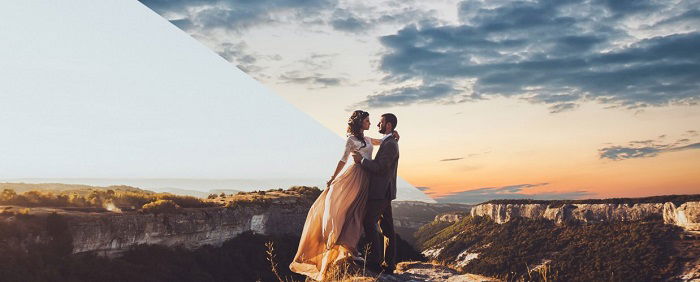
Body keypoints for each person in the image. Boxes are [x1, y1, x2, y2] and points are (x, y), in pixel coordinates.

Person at [290, 110, 399, 281]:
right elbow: (343, 160)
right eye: (368, 121)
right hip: (357, 178)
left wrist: (393, 135)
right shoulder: (351, 140)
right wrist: (333, 178)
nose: (372, 124)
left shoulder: (372, 140)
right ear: (360, 122)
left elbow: (383, 145)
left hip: (371, 182)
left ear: (388, 125)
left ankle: (367, 256)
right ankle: (349, 247)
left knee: (364, 218)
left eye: (375, 121)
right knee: (349, 211)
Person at [351, 113, 399, 275]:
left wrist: (361, 161)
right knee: (387, 229)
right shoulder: (389, 141)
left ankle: (376, 263)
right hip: (385, 191)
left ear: (388, 125)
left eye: (380, 122)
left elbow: (380, 167)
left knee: (369, 222)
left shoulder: (390, 144)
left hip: (380, 192)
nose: (377, 125)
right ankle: (389, 264)